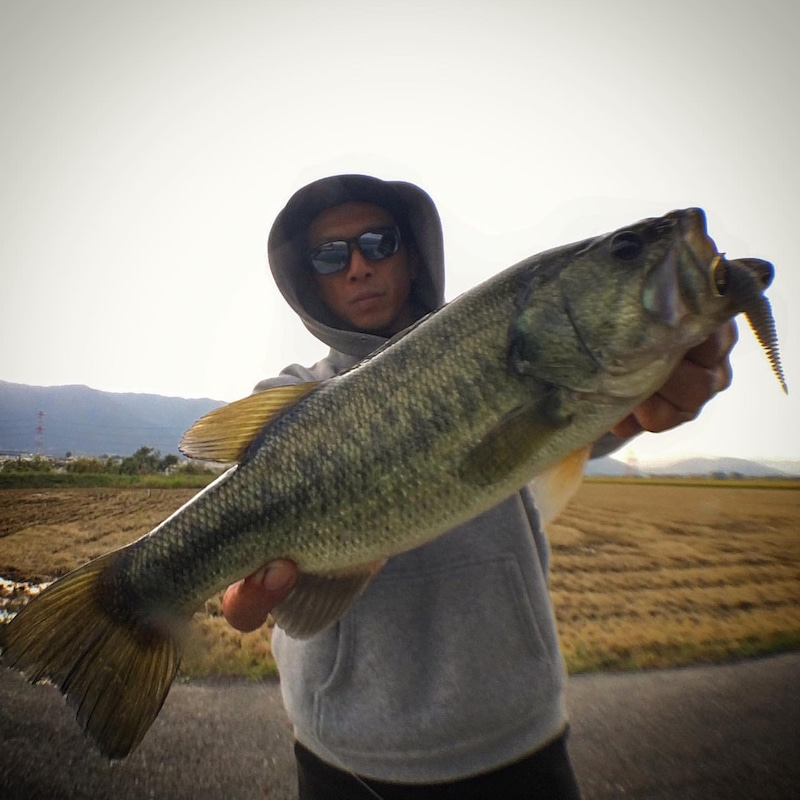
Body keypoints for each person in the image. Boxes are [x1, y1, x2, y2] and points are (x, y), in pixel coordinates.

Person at [222, 175, 737, 799]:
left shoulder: (549, 372)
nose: (358, 266)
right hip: (342, 756)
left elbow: (618, 416)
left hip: (518, 743)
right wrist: (236, 591)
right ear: (310, 280)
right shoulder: (289, 399)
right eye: (331, 256)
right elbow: (240, 586)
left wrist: (673, 375)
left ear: (413, 255)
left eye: (379, 242)